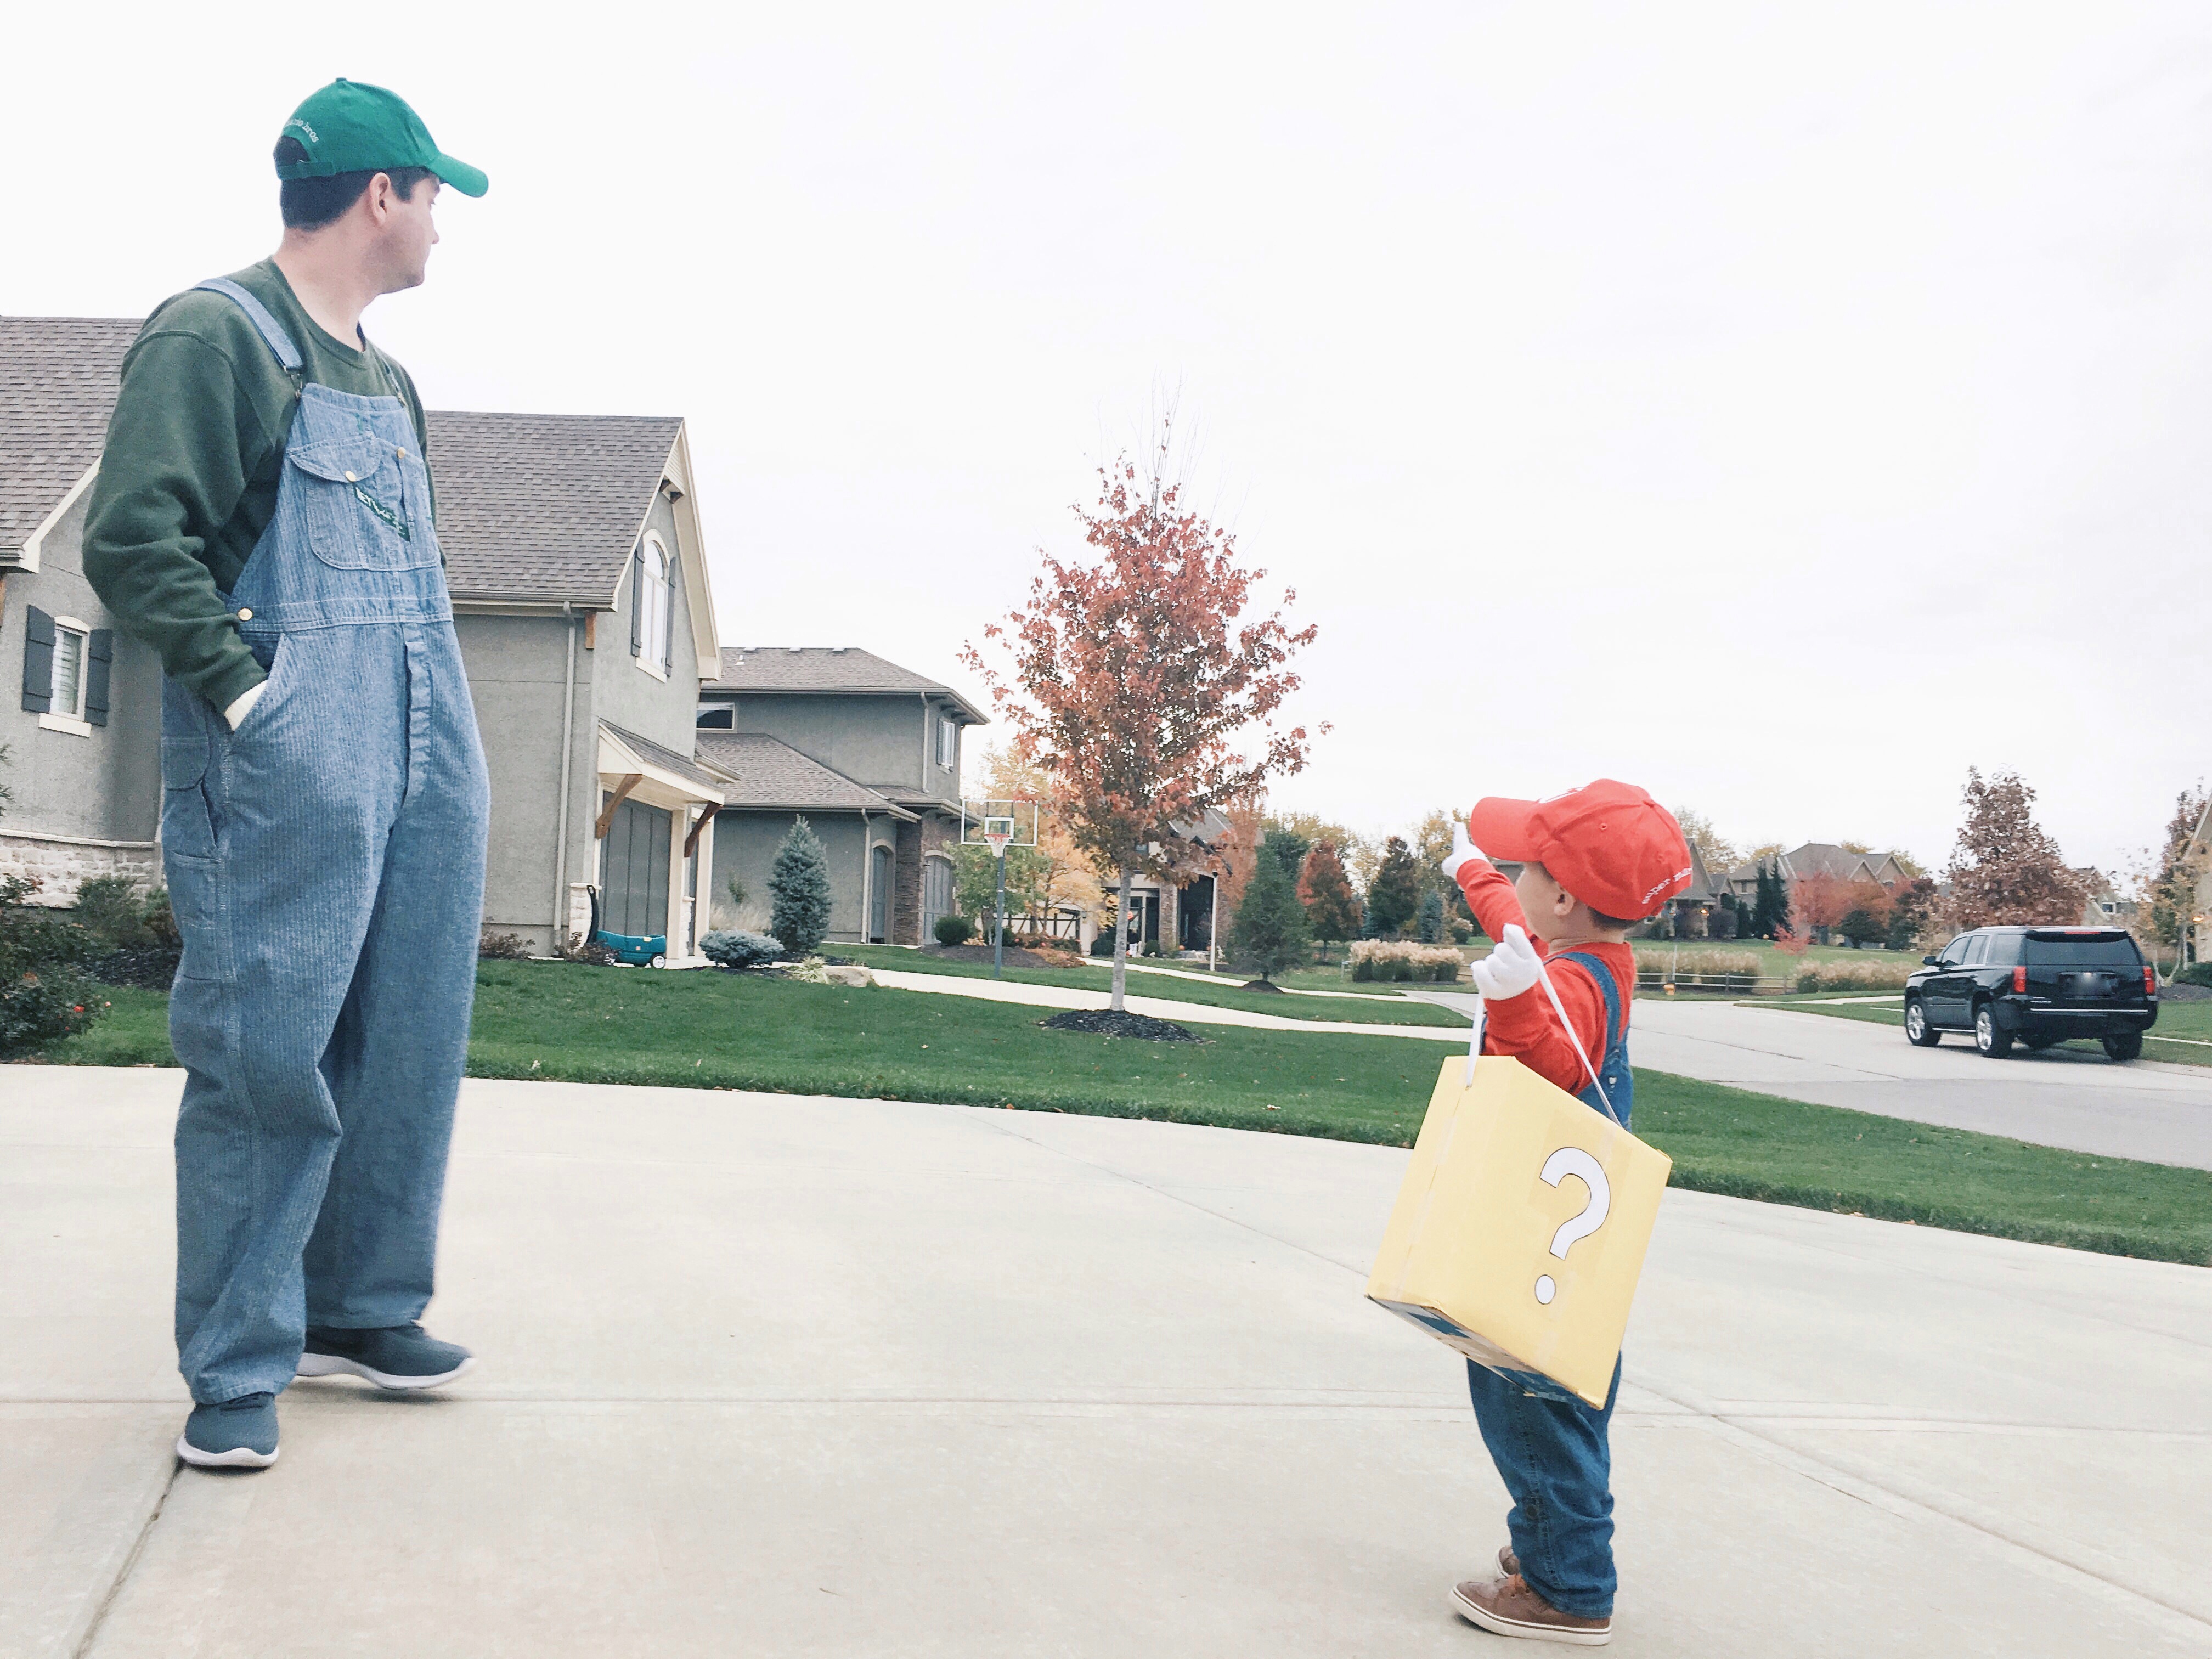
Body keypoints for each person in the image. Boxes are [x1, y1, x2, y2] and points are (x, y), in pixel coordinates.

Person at [83, 80, 492, 1470]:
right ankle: (238, 1366)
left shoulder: (383, 376)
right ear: (382, 194)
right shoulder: (219, 336)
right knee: (266, 1056)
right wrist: (262, 701)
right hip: (287, 753)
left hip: (423, 743)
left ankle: (360, 1305)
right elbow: (137, 544)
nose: (443, 222)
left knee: (407, 1039)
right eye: (435, 194)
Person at [1435, 781, 1692, 1645]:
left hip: (1544, 1239)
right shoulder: (1580, 945)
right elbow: (1516, 917)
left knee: (1532, 1397)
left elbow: (1546, 1057)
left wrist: (1511, 999)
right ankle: (1550, 1544)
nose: (1515, 873)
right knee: (1561, 1392)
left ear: (1566, 896)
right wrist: (1474, 874)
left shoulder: (1582, 980)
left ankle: (1569, 1588)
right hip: (1570, 1238)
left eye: (1526, 864)